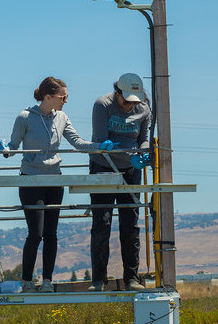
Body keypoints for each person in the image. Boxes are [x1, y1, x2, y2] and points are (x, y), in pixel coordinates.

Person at [0, 77, 108, 293]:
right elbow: (13, 146)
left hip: (54, 180)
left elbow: (77, 142)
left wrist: (98, 147)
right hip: (31, 179)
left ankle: (47, 280)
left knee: (51, 233)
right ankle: (27, 281)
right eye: (63, 97)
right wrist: (4, 148)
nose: (66, 100)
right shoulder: (25, 117)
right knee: (35, 233)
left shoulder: (62, 117)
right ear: (48, 97)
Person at [88, 73, 152, 291]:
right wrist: (121, 151)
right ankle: (98, 280)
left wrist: (143, 154)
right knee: (102, 223)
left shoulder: (144, 108)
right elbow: (100, 141)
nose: (129, 106)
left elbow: (143, 138)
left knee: (130, 225)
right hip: (103, 166)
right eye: (126, 101)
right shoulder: (102, 105)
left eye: (134, 101)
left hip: (131, 170)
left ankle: (132, 279)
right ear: (117, 93)